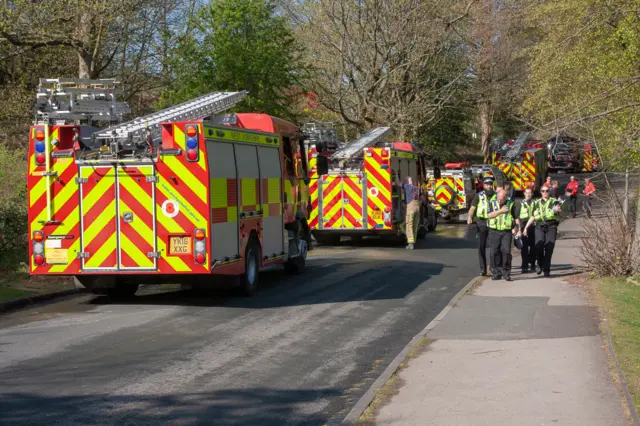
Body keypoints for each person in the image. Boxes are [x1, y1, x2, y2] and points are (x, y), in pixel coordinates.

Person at [523, 185, 562, 277]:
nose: (545, 192)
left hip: (551, 226)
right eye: (543, 191)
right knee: (539, 246)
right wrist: (526, 227)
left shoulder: (554, 201)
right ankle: (539, 264)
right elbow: (533, 216)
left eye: (547, 191)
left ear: (549, 192)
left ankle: (546, 269)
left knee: (549, 247)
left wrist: (558, 210)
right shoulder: (536, 203)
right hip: (539, 226)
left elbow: (559, 211)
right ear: (540, 192)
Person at [467, 177, 497, 276]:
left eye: (490, 184)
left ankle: (492, 267)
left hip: (493, 223)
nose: (489, 186)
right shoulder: (478, 196)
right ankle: (483, 269)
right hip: (482, 223)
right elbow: (472, 208)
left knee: (494, 247)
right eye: (487, 184)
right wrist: (470, 217)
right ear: (484, 185)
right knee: (481, 246)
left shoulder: (496, 196)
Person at [487, 189, 516, 281]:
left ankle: (506, 272)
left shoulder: (511, 204)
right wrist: (500, 211)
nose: (500, 200)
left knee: (506, 251)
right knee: (494, 252)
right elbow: (489, 215)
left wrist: (517, 229)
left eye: (502, 199)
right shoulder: (492, 203)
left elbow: (516, 218)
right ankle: (496, 272)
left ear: (506, 197)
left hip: (506, 231)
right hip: (494, 231)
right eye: (498, 198)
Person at [515, 187, 536, 273]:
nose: (528, 194)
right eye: (527, 193)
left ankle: (533, 263)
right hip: (523, 227)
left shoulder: (535, 203)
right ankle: (524, 266)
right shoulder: (520, 203)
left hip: (534, 226)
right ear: (524, 194)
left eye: (530, 193)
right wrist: (519, 230)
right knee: (524, 247)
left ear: (532, 194)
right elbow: (517, 218)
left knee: (534, 247)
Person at [402, 176, 421, 250]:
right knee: (415, 225)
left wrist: (396, 174)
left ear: (406, 182)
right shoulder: (416, 188)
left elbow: (398, 184)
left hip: (411, 208)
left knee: (409, 225)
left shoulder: (407, 186)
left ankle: (410, 243)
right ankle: (413, 241)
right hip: (417, 208)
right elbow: (422, 198)